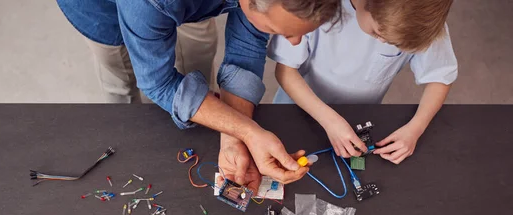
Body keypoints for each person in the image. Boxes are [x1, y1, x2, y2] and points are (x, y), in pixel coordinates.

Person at [57, 0, 342, 191]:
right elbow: (158, 82)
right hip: (103, 8)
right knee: (120, 73)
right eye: (279, 31)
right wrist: (248, 131)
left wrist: (234, 137)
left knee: (199, 46)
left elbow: (247, 43)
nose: (294, 43)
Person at [268, 0, 458, 164]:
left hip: (357, 121)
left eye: (395, 45)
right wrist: (329, 120)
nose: (383, 42)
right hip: (294, 109)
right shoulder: (314, 6)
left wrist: (415, 128)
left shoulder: (423, 20)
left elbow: (440, 77)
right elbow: (285, 71)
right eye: (377, 33)